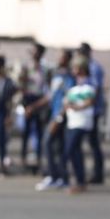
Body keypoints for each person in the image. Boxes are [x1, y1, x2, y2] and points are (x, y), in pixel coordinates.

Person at [35, 49, 75, 191]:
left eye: (62, 57)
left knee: (49, 143)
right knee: (56, 147)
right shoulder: (57, 75)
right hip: (53, 113)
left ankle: (56, 176)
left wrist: (59, 118)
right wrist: (33, 107)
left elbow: (68, 99)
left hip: (60, 116)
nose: (59, 59)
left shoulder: (69, 77)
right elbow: (50, 95)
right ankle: (59, 177)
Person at [63, 55, 95, 194]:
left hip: (81, 122)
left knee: (70, 149)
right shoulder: (74, 86)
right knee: (75, 151)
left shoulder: (88, 85)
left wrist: (76, 107)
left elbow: (89, 101)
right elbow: (66, 103)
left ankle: (79, 180)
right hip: (72, 122)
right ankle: (80, 181)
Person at [78, 42, 105, 184]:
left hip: (91, 110)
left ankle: (98, 173)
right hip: (83, 110)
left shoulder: (94, 68)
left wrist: (87, 106)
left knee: (93, 142)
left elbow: (95, 89)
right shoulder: (83, 67)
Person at [20, 43, 49, 172]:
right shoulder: (27, 66)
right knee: (25, 132)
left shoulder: (45, 68)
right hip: (28, 99)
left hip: (39, 101)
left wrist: (37, 105)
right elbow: (22, 84)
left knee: (38, 131)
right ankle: (24, 158)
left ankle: (36, 159)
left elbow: (46, 88)